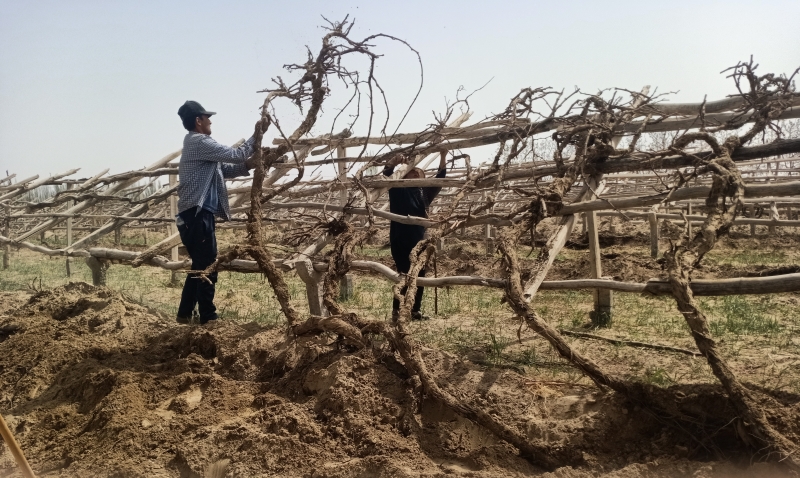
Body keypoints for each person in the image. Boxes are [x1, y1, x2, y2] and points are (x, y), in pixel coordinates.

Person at [175, 100, 260, 325]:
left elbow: (230, 169)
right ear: (198, 121)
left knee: (199, 264)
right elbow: (236, 154)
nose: (210, 121)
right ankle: (208, 317)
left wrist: (253, 163)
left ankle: (185, 314)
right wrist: (256, 136)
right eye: (207, 117)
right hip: (196, 214)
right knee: (207, 265)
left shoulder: (200, 148)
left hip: (195, 215)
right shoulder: (198, 141)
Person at [383, 151, 447, 321]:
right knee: (404, 274)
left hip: (420, 240)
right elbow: (387, 173)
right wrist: (395, 161)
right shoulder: (397, 189)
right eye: (412, 170)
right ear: (404, 174)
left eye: (419, 172)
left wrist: (443, 155)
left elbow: (440, 179)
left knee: (420, 275)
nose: (416, 173)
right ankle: (397, 312)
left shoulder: (423, 193)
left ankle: (414, 310)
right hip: (400, 239)